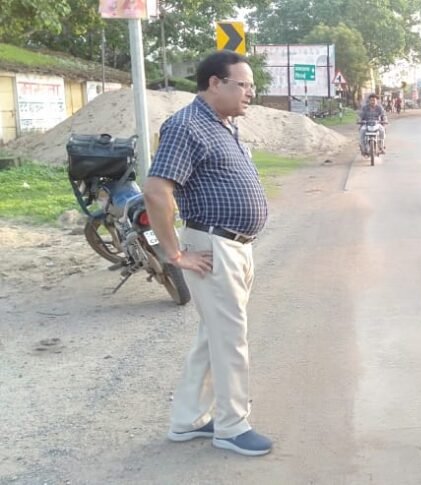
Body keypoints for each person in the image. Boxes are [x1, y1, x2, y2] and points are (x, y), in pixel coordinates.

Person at [143, 50, 272, 457]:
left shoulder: (224, 124)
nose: (250, 92)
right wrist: (175, 254)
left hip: (235, 245)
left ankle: (187, 419)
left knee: (212, 336)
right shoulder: (186, 126)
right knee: (230, 338)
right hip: (212, 247)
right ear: (215, 83)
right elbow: (156, 189)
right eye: (243, 84)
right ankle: (232, 426)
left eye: (252, 86)